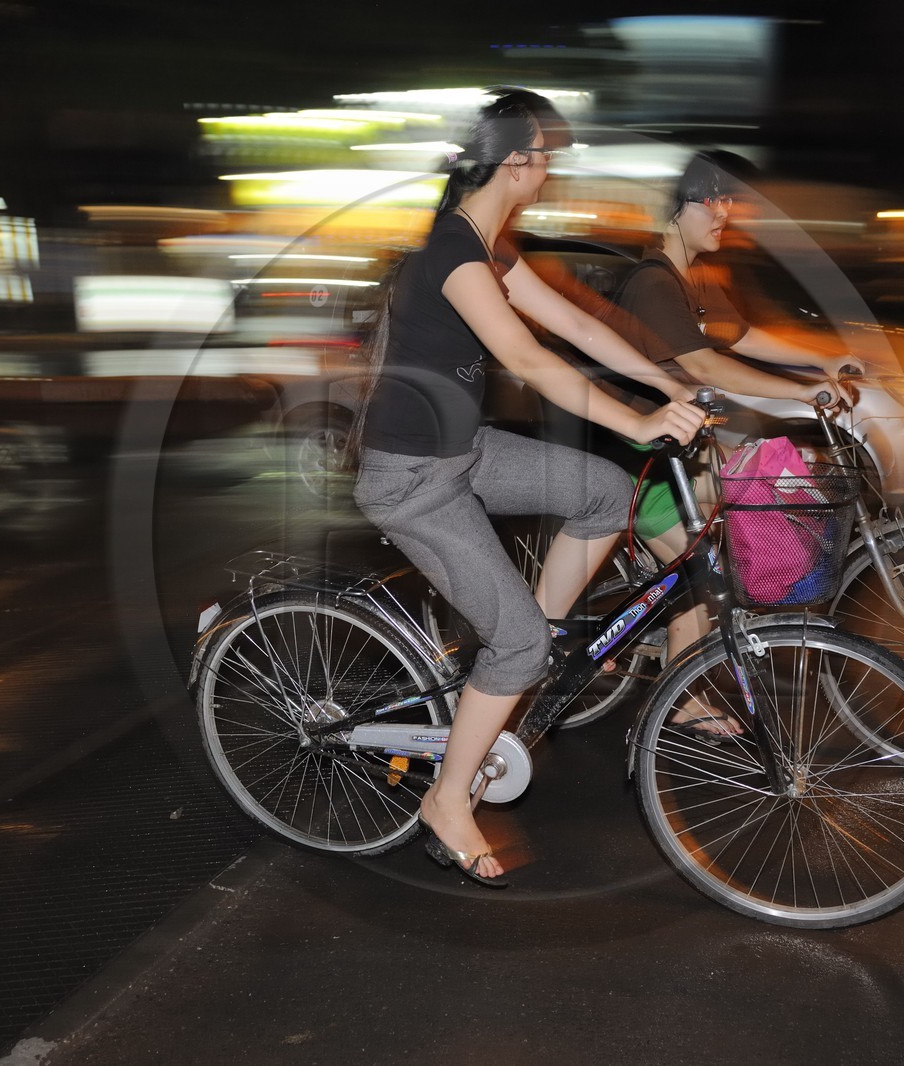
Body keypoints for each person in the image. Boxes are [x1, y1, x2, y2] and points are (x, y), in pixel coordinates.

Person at [352, 89, 705, 886]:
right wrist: (640, 421)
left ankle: (528, 644)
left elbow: (577, 331)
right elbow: (527, 357)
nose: (548, 173)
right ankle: (447, 800)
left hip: (464, 452)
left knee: (606, 493)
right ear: (515, 160)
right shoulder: (453, 253)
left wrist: (669, 388)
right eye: (545, 157)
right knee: (517, 646)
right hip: (412, 483)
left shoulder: (491, 247)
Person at [611, 154, 861, 735]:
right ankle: (678, 701)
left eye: (730, 200)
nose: (725, 211)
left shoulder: (692, 277)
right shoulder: (653, 282)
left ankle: (675, 666)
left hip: (677, 456)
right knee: (707, 570)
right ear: (677, 208)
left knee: (716, 545)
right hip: (637, 466)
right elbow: (706, 364)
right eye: (711, 199)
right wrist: (805, 393)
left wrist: (820, 357)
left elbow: (742, 336)